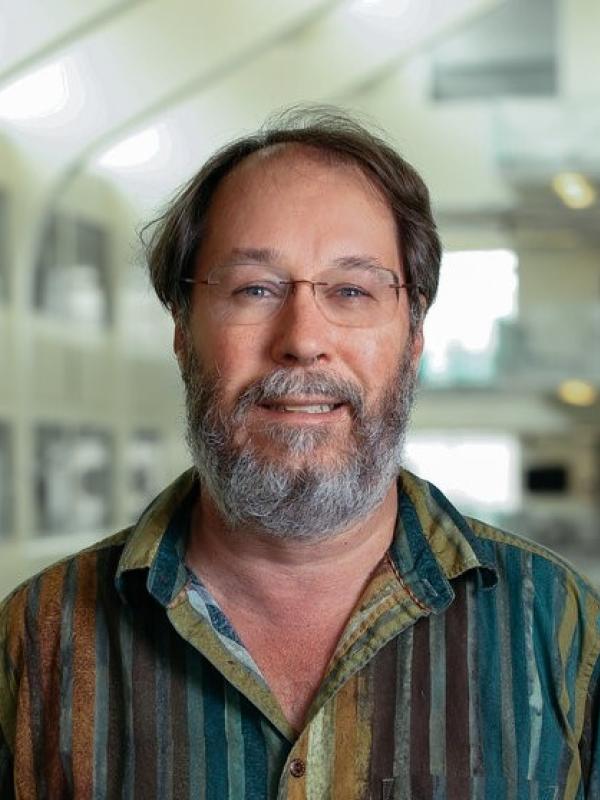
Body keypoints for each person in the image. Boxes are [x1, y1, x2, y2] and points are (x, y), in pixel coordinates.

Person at [1, 107, 599, 800]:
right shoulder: (33, 645)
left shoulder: (560, 634)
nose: (303, 338)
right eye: (255, 288)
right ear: (182, 330)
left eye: (351, 291)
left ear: (414, 336)